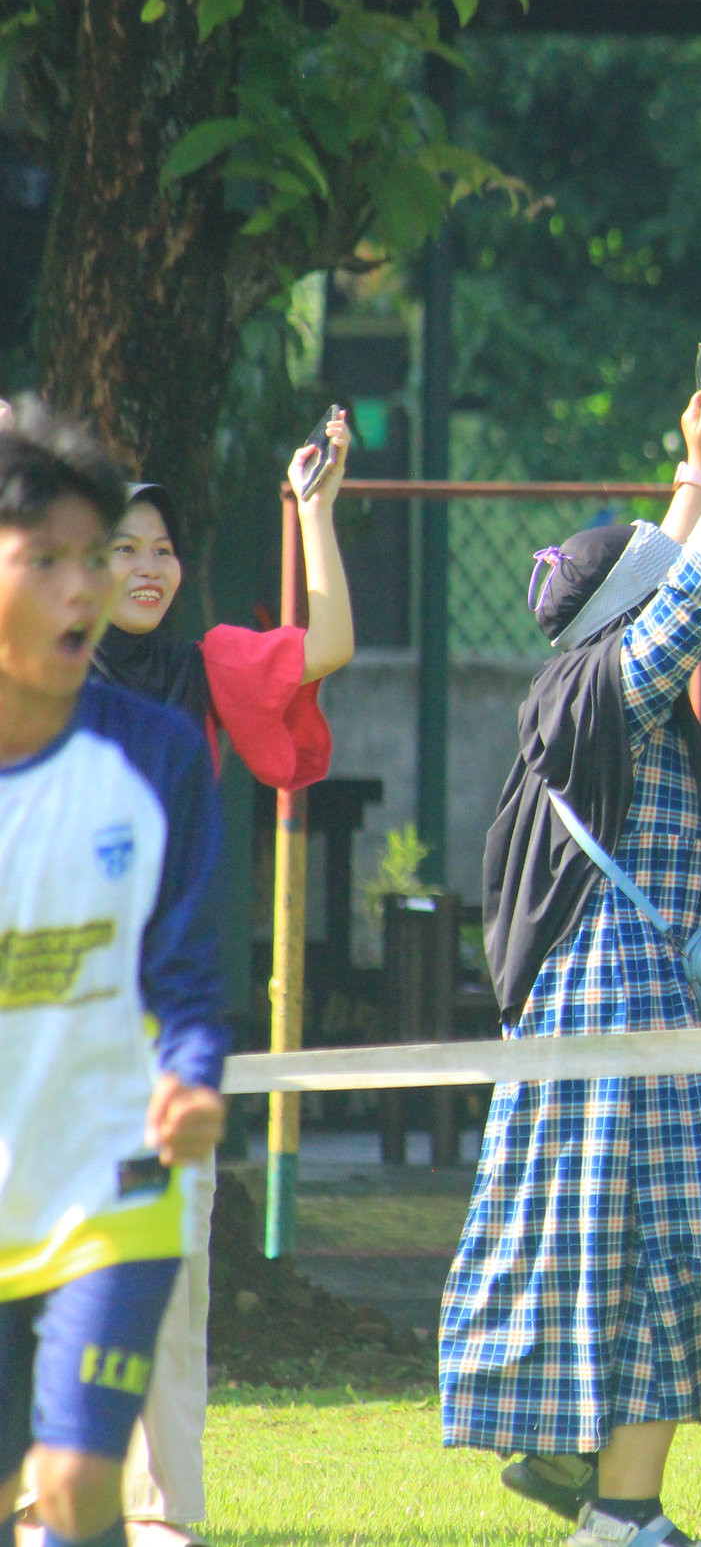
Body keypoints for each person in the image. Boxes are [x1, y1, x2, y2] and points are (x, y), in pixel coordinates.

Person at [444, 380, 701, 1547]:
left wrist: (694, 461)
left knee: (595, 1240)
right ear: (627, 617)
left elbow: (663, 572)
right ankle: (620, 1507)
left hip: (605, 1013)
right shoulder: (618, 693)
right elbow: (699, 588)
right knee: (659, 1246)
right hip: (624, 1010)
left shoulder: (582, 689)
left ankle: (574, 1458)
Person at [75, 418, 356, 1547]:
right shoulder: (30, 670)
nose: (148, 568)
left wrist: (315, 510)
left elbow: (325, 639)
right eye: (122, 547)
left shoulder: (208, 670)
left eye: (163, 548)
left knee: (169, 1274)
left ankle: (161, 1511)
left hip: (157, 1026)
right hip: (38, 1020)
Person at [0, 402, 226, 1547]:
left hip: (113, 1184)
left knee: (81, 1479)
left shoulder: (160, 755)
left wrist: (191, 1071)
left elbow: (188, 976)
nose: (83, 588)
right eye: (48, 562)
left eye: (99, 559)